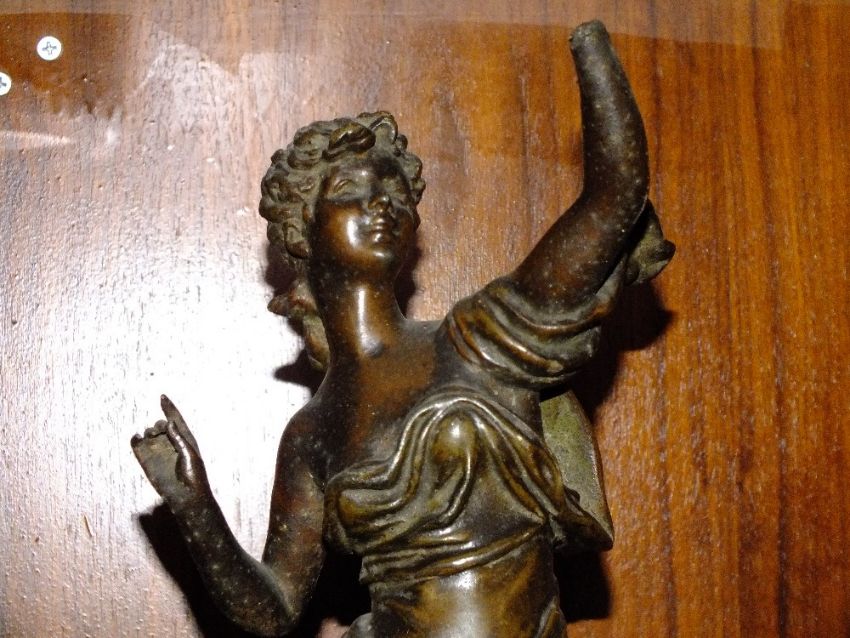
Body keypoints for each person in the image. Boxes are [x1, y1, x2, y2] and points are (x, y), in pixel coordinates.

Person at [132, 20, 674, 638]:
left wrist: (590, 40)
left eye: (393, 189)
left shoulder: (480, 341)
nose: (382, 202)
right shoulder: (312, 431)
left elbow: (613, 195)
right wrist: (194, 507)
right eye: (350, 189)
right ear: (303, 233)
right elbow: (275, 609)